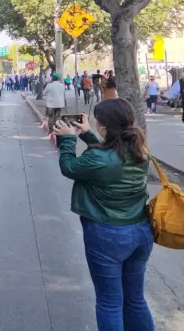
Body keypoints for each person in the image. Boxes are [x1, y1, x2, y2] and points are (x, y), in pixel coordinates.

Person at [53, 99, 155, 331]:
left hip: (107, 234)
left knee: (110, 303)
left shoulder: (100, 159)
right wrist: (88, 133)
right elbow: (109, 154)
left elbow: (69, 168)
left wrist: (67, 139)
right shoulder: (139, 149)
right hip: (141, 232)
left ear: (104, 128)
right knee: (135, 299)